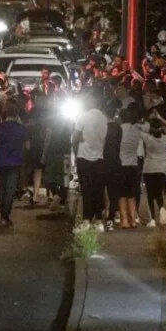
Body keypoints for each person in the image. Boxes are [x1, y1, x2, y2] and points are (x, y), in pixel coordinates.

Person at [72, 92, 108, 233]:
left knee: (86, 190)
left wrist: (76, 153)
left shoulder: (83, 116)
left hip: (84, 157)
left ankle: (86, 220)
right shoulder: (103, 118)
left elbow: (75, 137)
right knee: (98, 190)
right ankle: (98, 221)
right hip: (99, 157)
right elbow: (104, 140)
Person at [0, 102, 29, 227]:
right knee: (10, 190)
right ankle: (5, 215)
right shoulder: (21, 128)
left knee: (2, 189)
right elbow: (28, 145)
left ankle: (2, 214)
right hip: (15, 162)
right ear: (17, 114)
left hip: (1, 162)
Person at [141, 118, 166, 227]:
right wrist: (161, 119)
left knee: (150, 195)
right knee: (158, 193)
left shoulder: (148, 138)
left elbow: (139, 130)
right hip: (161, 170)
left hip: (149, 169)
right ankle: (162, 208)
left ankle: (152, 219)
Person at [117, 104, 142, 228]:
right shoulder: (136, 129)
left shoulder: (120, 129)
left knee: (121, 194)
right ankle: (133, 220)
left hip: (122, 164)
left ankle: (124, 220)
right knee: (131, 194)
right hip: (133, 164)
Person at [102, 101, 122, 230]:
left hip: (103, 161)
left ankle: (104, 211)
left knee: (102, 188)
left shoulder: (102, 127)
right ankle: (111, 217)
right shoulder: (118, 128)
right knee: (114, 190)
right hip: (116, 160)